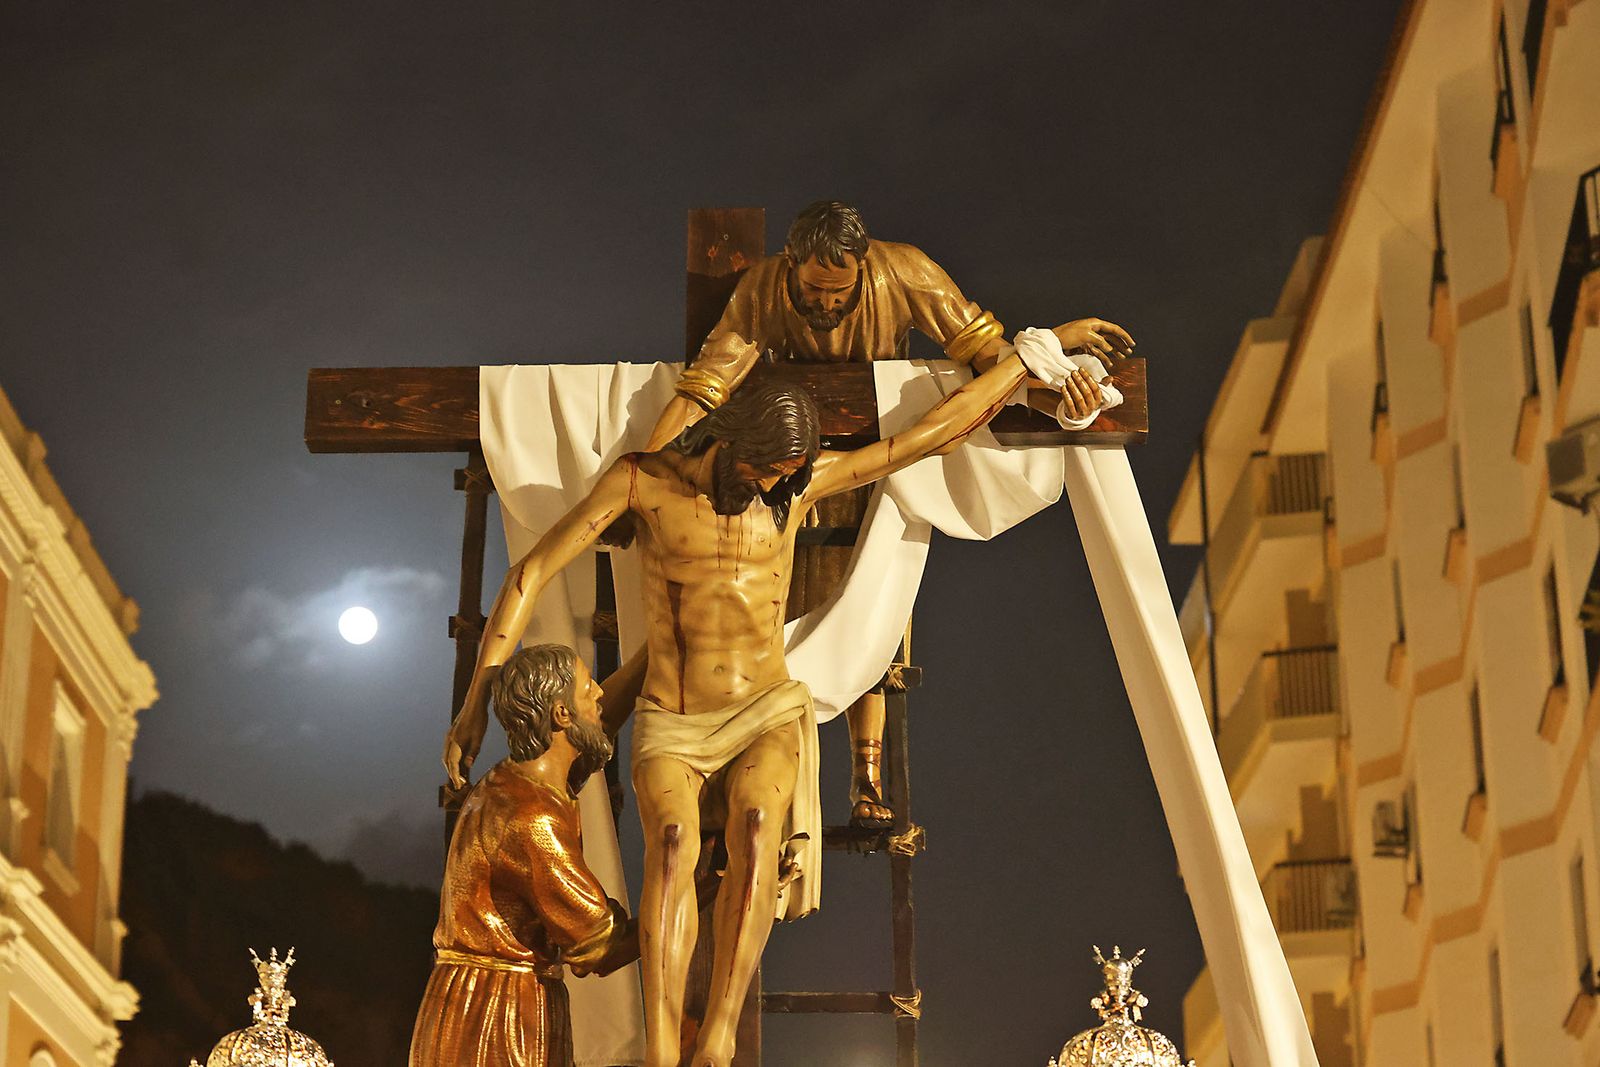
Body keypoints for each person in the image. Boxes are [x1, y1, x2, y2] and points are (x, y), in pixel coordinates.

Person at [442, 339, 1089, 1067]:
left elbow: (928, 434)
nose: (770, 488)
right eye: (761, 471)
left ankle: (717, 1036)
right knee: (673, 846)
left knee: (755, 824)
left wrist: (1025, 359)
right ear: (731, 440)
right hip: (673, 715)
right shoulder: (644, 484)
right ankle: (660, 1053)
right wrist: (473, 706)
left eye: (783, 476)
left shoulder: (799, 486)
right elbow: (531, 571)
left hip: (763, 707)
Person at [642, 199, 1136, 827]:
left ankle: (865, 778)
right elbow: (706, 385)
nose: (824, 305)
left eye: (838, 291)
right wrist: (651, 471)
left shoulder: (904, 272)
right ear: (791, 266)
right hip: (786, 465)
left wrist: (1054, 380)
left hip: (868, 465)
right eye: (813, 290)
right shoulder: (764, 290)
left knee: (872, 612)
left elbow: (984, 356)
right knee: (767, 618)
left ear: (864, 266)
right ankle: (768, 792)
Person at [409, 644, 636, 1067]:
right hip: (497, 1016)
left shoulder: (525, 780)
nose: (600, 696)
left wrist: (657, 649)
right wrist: (703, 890)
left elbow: (602, 725)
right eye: (589, 689)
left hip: (480, 998)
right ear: (561, 716)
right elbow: (602, 947)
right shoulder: (530, 819)